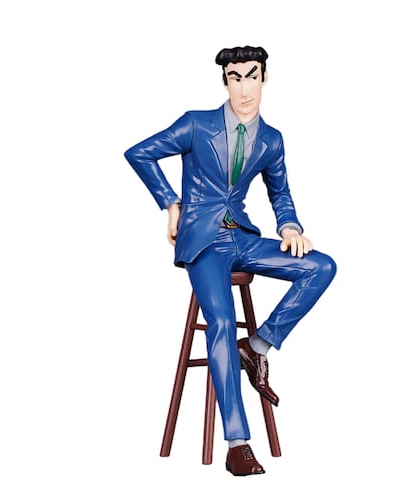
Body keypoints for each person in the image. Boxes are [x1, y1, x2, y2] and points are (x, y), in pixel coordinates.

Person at [124, 45, 336, 476]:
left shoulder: (271, 139)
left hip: (242, 236)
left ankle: (255, 347)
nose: (244, 88)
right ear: (225, 81)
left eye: (251, 76)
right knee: (221, 321)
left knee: (322, 266)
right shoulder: (196, 124)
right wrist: (171, 204)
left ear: (265, 78)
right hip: (204, 242)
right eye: (235, 78)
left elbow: (280, 192)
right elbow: (139, 152)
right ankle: (238, 444)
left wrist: (290, 228)